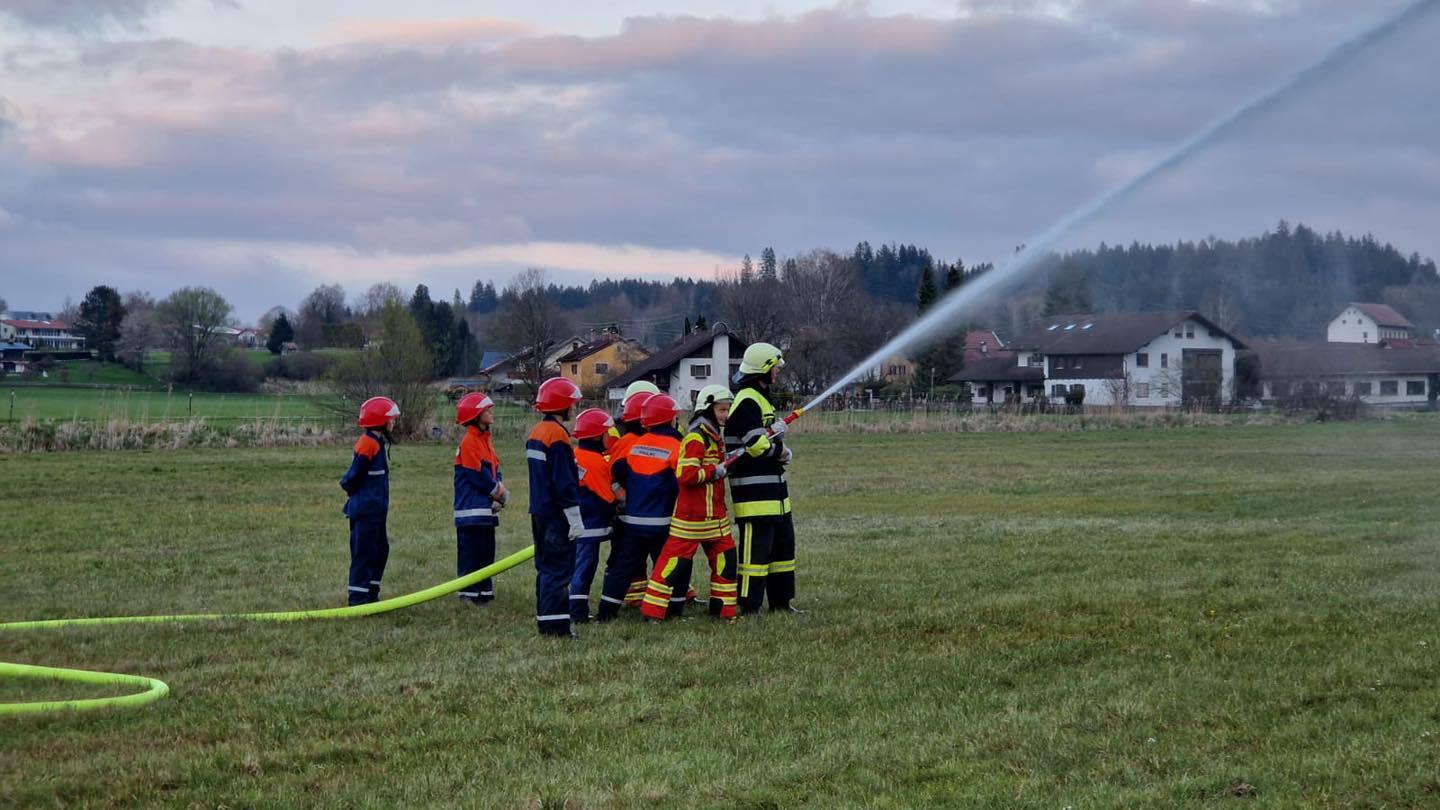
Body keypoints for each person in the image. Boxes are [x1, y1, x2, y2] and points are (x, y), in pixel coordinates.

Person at [640, 385, 738, 622]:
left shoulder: (714, 435)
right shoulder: (696, 437)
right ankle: (653, 612)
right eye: (722, 409)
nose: (726, 414)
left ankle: (723, 611)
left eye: (727, 409)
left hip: (715, 517)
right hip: (691, 519)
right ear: (707, 408)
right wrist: (714, 471)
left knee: (726, 562)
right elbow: (686, 475)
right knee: (672, 566)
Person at [724, 342, 802, 614]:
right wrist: (780, 450)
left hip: (775, 494)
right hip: (754, 495)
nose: (778, 373)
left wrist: (775, 432)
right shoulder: (747, 399)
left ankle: (781, 602)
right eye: (776, 368)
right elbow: (755, 443)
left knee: (783, 550)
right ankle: (749, 605)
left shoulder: (759, 397)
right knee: (755, 555)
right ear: (764, 370)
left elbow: (761, 434)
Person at [595, 394, 683, 621]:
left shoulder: (636, 445)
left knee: (622, 569)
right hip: (663, 522)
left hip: (633, 521)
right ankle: (672, 609)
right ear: (671, 420)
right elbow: (683, 480)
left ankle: (607, 611)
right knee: (672, 565)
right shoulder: (676, 446)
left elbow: (620, 472)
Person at [526, 377, 585, 638]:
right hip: (557, 515)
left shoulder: (536, 432)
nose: (574, 408)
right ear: (563, 405)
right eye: (573, 403)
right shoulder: (558, 436)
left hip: (539, 512)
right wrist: (574, 516)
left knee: (546, 569)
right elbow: (563, 481)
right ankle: (556, 628)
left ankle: (546, 621)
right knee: (559, 571)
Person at [339, 396, 399, 606]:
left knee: (380, 551)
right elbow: (353, 476)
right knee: (364, 554)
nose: (394, 422)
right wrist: (350, 489)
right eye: (391, 419)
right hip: (365, 512)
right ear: (380, 420)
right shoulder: (368, 444)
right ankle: (357, 599)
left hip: (376, 512)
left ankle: (371, 594)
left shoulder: (377, 442)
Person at [453, 392, 507, 605]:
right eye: (487, 410)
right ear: (476, 415)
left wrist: (499, 490)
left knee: (486, 554)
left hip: (485, 509)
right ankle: (468, 594)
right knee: (470, 555)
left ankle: (484, 592)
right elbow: (478, 476)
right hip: (471, 511)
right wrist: (498, 492)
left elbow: (494, 469)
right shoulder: (470, 442)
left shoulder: (485, 441)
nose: (491, 413)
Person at [569, 407, 618, 623]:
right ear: (598, 435)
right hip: (590, 526)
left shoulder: (575, 456)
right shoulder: (596, 462)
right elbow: (607, 498)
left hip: (574, 524)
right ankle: (577, 612)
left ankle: (572, 607)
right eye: (608, 433)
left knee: (576, 566)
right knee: (585, 568)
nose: (610, 437)